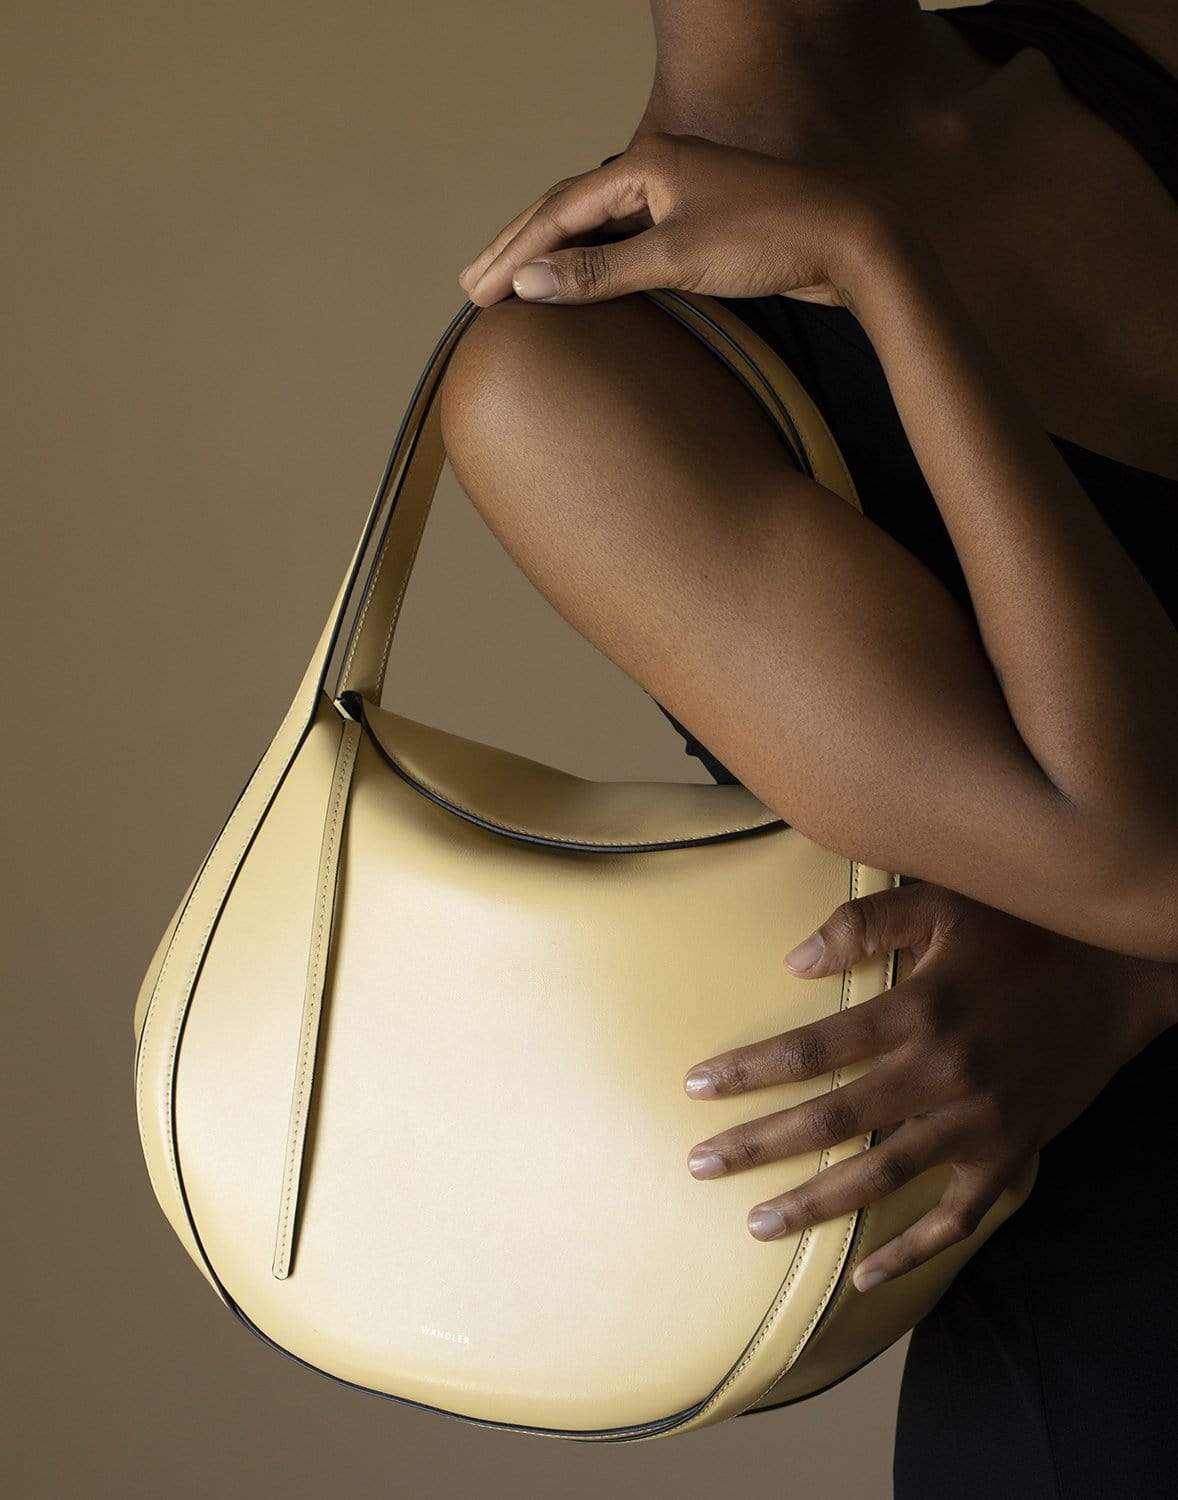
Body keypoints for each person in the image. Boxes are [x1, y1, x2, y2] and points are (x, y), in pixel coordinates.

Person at [442, 3, 1178, 1493]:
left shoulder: (1139, 56)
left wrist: (1130, 987)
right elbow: (1145, 853)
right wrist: (870, 264)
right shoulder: (571, 377)